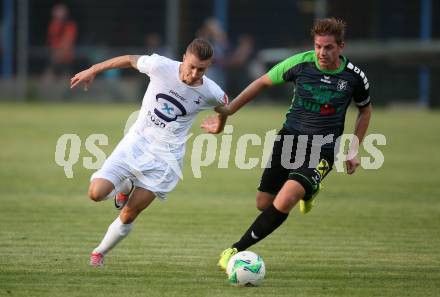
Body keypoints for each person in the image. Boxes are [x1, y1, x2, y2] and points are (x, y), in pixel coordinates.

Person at [210, 18, 373, 270]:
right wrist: (229, 110)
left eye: (328, 47)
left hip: (323, 148)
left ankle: (234, 250)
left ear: (341, 46)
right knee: (264, 204)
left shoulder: (354, 77)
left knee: (287, 196)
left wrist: (353, 150)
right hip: (289, 139)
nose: (321, 52)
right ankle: (309, 190)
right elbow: (261, 82)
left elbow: (365, 111)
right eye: (318, 46)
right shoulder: (300, 63)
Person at [70, 38, 229, 267]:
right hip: (135, 145)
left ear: (209, 67)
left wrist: (219, 125)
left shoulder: (210, 91)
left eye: (201, 69)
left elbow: (226, 106)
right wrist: (93, 70)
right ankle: (124, 186)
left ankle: (99, 253)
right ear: (184, 58)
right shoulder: (160, 66)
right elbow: (128, 60)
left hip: (165, 161)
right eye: (191, 66)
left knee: (130, 213)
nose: (194, 73)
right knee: (95, 193)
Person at [47, 3, 78, 78]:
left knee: (67, 77)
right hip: (55, 56)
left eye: (62, 12)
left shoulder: (70, 26)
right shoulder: (53, 25)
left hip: (66, 57)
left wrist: (60, 53)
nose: (60, 14)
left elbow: (68, 42)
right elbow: (51, 41)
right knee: (50, 75)